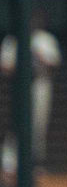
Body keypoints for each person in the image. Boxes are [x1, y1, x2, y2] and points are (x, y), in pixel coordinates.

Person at [1, 9, 61, 174]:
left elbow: (54, 64)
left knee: (38, 123)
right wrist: (20, 65)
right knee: (17, 122)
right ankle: (9, 163)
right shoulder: (14, 39)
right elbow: (5, 66)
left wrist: (38, 55)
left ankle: (34, 164)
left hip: (41, 83)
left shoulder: (45, 39)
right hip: (20, 84)